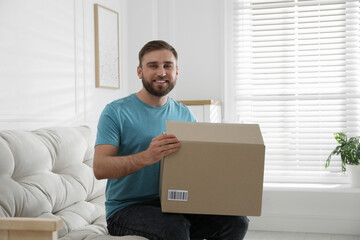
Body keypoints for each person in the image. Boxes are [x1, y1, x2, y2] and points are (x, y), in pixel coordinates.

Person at [93, 40, 249, 240]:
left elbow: (195, 168)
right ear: (140, 72)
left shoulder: (184, 113)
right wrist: (147, 157)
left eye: (168, 65)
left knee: (236, 222)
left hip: (176, 203)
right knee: (174, 227)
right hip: (126, 210)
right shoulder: (115, 112)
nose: (161, 72)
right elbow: (100, 168)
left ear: (176, 71)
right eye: (153, 66)